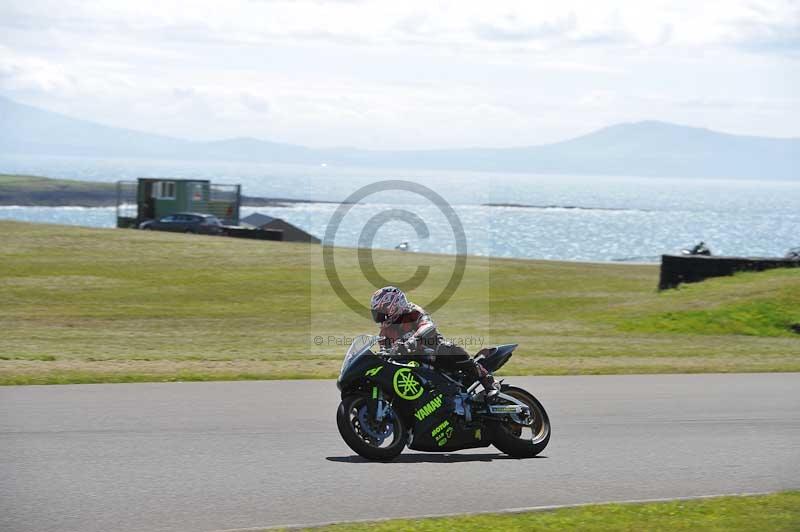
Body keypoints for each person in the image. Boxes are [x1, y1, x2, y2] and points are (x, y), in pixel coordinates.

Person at [369, 286, 499, 399]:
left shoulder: (413, 312)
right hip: (410, 363)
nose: (379, 318)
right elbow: (385, 352)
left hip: (431, 350)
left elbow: (428, 326)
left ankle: (487, 380)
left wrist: (413, 340)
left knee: (447, 348)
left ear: (393, 307)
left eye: (380, 313)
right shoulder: (385, 331)